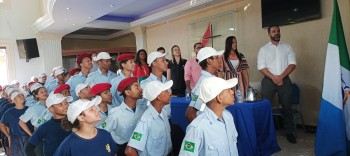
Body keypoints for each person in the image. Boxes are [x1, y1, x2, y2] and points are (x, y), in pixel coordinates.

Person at [257, 25, 297, 143]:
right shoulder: (263, 49)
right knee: (265, 107)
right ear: (269, 34)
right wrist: (274, 77)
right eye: (274, 31)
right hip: (268, 80)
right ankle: (265, 133)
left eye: (278, 31)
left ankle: (289, 133)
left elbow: (292, 64)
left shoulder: (287, 47)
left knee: (287, 107)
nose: (277, 33)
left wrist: (281, 77)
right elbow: (261, 67)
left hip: (284, 79)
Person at [179, 77, 239, 155]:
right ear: (219, 97)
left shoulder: (228, 117)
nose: (232, 92)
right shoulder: (196, 128)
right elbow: (190, 113)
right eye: (228, 90)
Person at [125, 80, 173, 156]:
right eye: (166, 91)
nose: (170, 94)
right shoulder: (146, 120)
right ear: (159, 97)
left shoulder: (163, 113)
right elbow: (129, 151)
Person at [102, 77, 147, 156]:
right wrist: (111, 151)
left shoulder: (143, 110)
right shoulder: (116, 114)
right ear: (128, 92)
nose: (140, 89)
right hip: (123, 150)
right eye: (137, 87)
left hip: (141, 148)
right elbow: (102, 132)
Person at [185, 47, 223, 122]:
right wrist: (203, 128)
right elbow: (190, 113)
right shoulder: (203, 84)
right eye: (217, 57)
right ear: (209, 61)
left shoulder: (212, 79)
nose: (220, 60)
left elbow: (203, 105)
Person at [0, 90, 33, 156]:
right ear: (14, 100)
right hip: (15, 138)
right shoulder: (9, 112)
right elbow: (1, 124)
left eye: (22, 95)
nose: (21, 97)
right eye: (18, 96)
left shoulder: (29, 109)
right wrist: (8, 136)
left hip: (28, 136)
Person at [140, 51, 171, 118]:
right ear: (154, 63)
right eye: (163, 61)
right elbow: (140, 105)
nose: (166, 63)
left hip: (167, 119)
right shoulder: (146, 84)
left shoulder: (165, 81)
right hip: (154, 122)